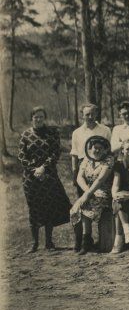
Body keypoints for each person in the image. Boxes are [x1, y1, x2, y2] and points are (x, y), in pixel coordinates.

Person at [18, 106, 71, 252]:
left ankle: (49, 242)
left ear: (45, 118)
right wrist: (34, 169)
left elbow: (55, 152)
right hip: (30, 178)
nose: (38, 119)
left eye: (41, 117)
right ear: (31, 118)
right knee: (33, 208)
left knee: (49, 206)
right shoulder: (25, 135)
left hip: (48, 176)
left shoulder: (52, 133)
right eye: (36, 117)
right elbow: (21, 156)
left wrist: (43, 168)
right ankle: (34, 243)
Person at [70, 135, 114, 254]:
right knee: (74, 209)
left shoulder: (108, 160)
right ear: (90, 148)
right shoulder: (86, 159)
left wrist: (87, 195)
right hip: (88, 190)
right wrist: (86, 192)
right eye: (95, 148)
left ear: (105, 150)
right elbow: (79, 177)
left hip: (103, 192)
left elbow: (100, 180)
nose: (97, 150)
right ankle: (79, 240)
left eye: (100, 148)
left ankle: (86, 241)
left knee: (86, 206)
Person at [70, 103, 111, 186]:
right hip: (82, 167)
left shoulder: (105, 130)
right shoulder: (76, 133)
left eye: (93, 114)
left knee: (100, 192)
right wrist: (74, 173)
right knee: (83, 191)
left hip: (101, 166)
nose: (90, 117)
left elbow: (109, 151)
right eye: (87, 114)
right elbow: (74, 154)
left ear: (96, 114)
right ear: (82, 115)